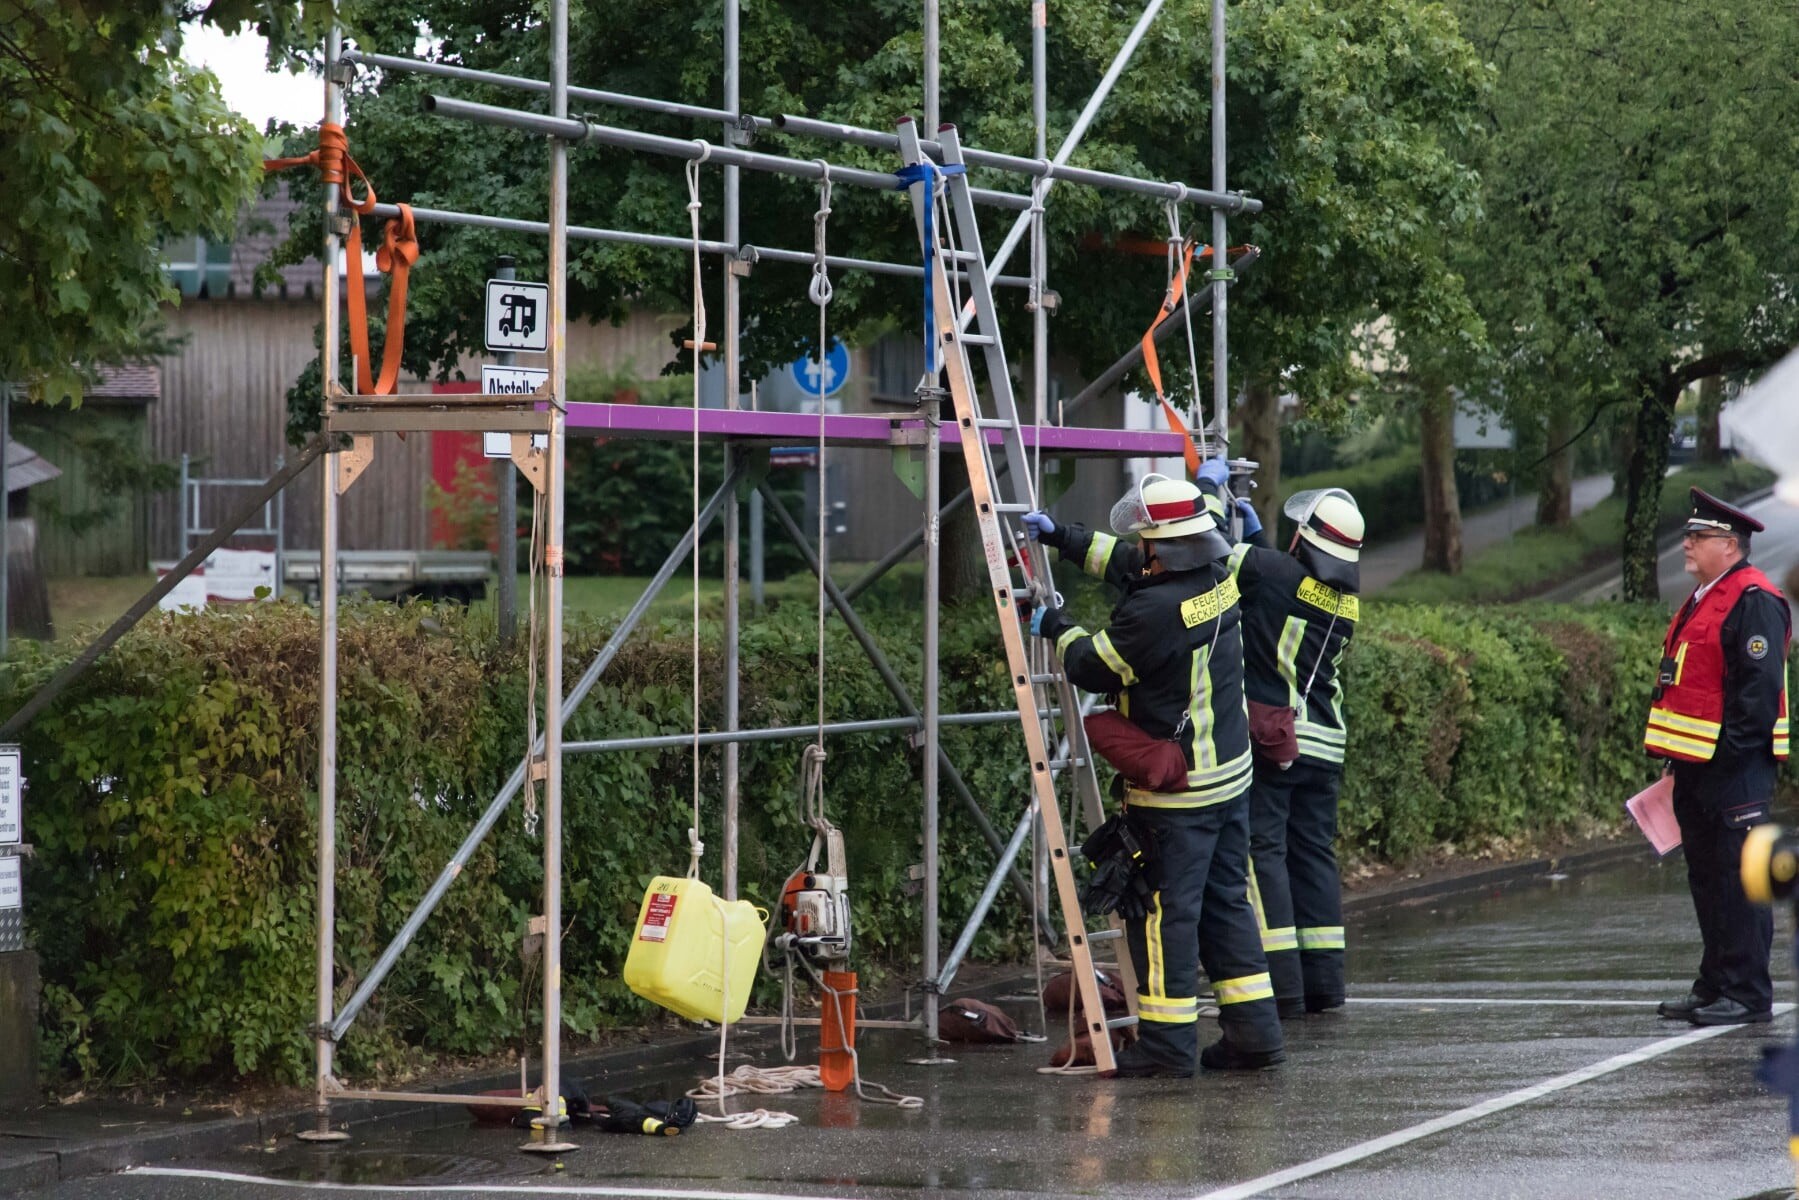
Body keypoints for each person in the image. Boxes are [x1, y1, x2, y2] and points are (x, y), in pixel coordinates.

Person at [1022, 475, 1285, 1077]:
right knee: (1227, 905)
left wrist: (1053, 627)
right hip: (1230, 778)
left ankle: (1167, 1048)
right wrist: (1063, 538)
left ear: (1163, 546)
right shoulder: (1215, 578)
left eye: (1145, 540)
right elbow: (1128, 564)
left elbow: (1094, 666)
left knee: (1164, 914)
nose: (1138, 549)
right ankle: (1254, 1034)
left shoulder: (1154, 610)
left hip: (1178, 795)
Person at [1196, 459, 1364, 1017]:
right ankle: (1324, 984)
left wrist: (1210, 492)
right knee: (1313, 855)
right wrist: (1263, 532)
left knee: (1263, 851)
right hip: (1326, 744)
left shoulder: (1271, 573)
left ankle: (1283, 987)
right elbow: (1282, 580)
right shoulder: (1345, 601)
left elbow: (1214, 550)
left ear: (1307, 538)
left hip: (1277, 742)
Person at [1647, 488, 1790, 1026]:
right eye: (1689, 534)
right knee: (1708, 880)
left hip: (1736, 769)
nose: (1686, 543)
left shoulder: (1754, 600)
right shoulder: (1707, 595)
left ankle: (1748, 994)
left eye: (1698, 536)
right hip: (1698, 767)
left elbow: (1755, 695)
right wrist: (1677, 761)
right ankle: (1715, 984)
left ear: (1729, 545)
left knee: (1738, 880)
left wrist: (1725, 757)